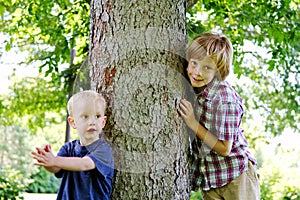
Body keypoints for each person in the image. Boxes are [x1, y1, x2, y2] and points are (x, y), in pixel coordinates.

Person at [178, 32, 260, 199]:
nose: (197, 72)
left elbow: (224, 148)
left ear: (217, 71)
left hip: (236, 176)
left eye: (207, 67)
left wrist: (193, 123)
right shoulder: (193, 89)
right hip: (211, 179)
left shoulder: (224, 99)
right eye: (194, 63)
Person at [32, 90, 114, 200]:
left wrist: (55, 160)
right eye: (85, 116)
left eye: (97, 116)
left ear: (103, 122)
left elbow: (85, 164)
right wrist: (47, 160)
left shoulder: (103, 149)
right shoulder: (68, 148)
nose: (92, 122)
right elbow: (56, 168)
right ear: (73, 122)